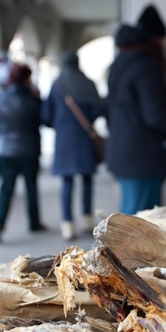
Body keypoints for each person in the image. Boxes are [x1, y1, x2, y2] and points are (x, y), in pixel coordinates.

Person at [106, 5, 166, 215]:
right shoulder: (147, 65)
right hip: (142, 158)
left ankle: (119, 250)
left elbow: (148, 99)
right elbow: (157, 116)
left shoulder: (124, 60)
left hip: (125, 154)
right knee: (140, 225)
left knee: (128, 220)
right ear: (156, 38)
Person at [42, 51, 105, 240]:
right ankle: (86, 219)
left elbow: (46, 116)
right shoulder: (88, 84)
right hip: (84, 136)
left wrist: (60, 124)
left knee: (67, 182)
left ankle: (67, 224)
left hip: (64, 139)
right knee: (87, 179)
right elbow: (98, 109)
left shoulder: (56, 86)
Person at [0, 63, 45, 243]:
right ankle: (34, 223)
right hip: (29, 149)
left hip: (5, 150)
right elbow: (44, 120)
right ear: (27, 79)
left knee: (5, 188)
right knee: (31, 187)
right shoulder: (34, 101)